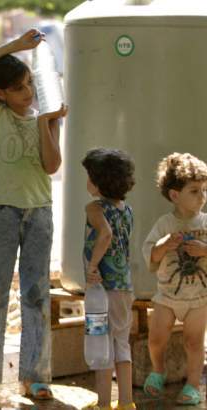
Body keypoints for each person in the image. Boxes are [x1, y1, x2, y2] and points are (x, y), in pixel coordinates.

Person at [0, 28, 68, 401]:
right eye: (19, 89)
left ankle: (35, 376)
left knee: (37, 295)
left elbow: (52, 165)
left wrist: (46, 121)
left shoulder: (47, 114)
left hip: (39, 215)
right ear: (0, 94)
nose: (27, 94)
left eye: (29, 85)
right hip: (3, 215)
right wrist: (17, 46)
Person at [142, 152, 207, 406]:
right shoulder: (164, 224)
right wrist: (164, 244)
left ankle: (193, 385)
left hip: (199, 297)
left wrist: (204, 250)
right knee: (156, 337)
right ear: (175, 195)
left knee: (194, 342)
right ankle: (158, 370)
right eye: (194, 191)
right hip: (167, 295)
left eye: (204, 189)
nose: (202, 196)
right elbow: (150, 253)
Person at [82, 148, 136, 410]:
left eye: (89, 176)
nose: (86, 181)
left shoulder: (94, 208)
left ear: (98, 181)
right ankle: (126, 402)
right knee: (121, 343)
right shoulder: (127, 210)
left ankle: (103, 404)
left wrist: (92, 266)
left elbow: (105, 235)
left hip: (101, 289)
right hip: (125, 287)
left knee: (101, 344)